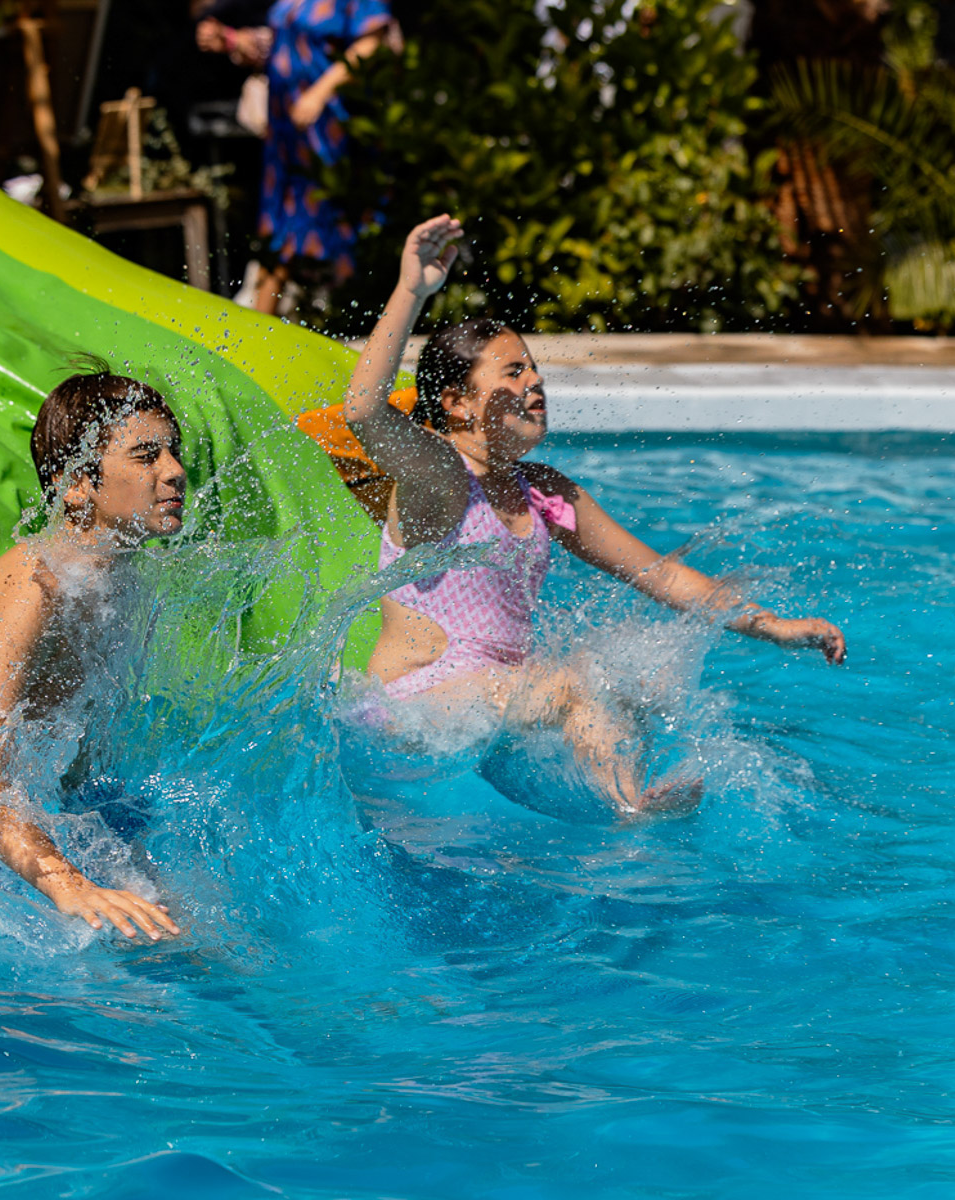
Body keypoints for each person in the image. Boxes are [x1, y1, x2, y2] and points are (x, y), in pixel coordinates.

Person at [343, 215, 848, 815]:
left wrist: (773, 627)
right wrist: (412, 292)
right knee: (573, 682)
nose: (535, 382)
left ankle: (618, 792)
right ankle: (629, 810)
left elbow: (659, 575)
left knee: (627, 672)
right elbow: (364, 411)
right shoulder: (440, 480)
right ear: (457, 404)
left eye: (533, 368)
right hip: (413, 709)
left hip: (494, 701)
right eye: (513, 372)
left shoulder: (544, 493)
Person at [0, 363, 188, 941]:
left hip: (30, 821)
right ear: (77, 481)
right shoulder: (34, 586)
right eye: (146, 456)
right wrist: (70, 883)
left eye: (173, 452)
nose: (175, 473)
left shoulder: (123, 581)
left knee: (181, 936)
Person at [251, 0, 395, 314]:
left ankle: (338, 320)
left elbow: (372, 40)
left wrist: (320, 92)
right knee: (282, 227)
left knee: (320, 222)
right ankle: (267, 329)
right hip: (286, 132)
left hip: (328, 125)